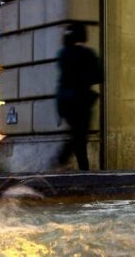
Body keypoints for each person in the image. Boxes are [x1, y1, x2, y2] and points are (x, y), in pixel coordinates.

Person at [56, 22, 102, 170]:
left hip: (64, 100)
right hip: (81, 100)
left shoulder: (63, 54)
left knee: (78, 134)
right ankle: (70, 160)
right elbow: (99, 76)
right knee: (80, 135)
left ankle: (82, 167)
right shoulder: (87, 53)